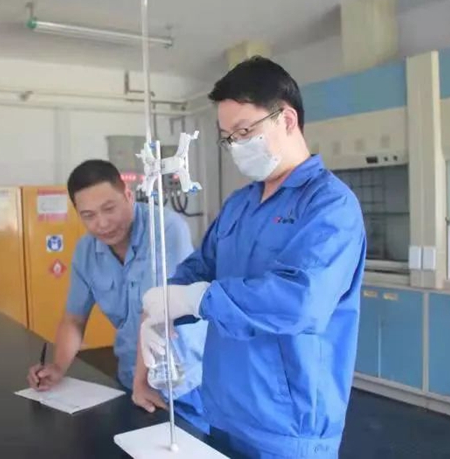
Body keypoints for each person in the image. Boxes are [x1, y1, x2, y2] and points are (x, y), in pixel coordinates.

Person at [141, 57, 366, 458]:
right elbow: (201, 267)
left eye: (244, 131)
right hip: (223, 409)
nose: (236, 146)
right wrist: (162, 305)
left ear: (287, 119)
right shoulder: (239, 204)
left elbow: (300, 302)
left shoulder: (330, 205)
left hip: (287, 427)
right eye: (228, 138)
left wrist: (197, 299)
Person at [27, 159, 208, 431]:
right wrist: (58, 367)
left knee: (191, 443)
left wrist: (142, 382)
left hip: (182, 378)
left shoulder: (166, 228)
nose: (102, 223)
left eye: (109, 208)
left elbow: (158, 311)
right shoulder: (86, 251)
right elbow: (74, 319)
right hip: (130, 377)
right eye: (88, 215)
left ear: (128, 195)